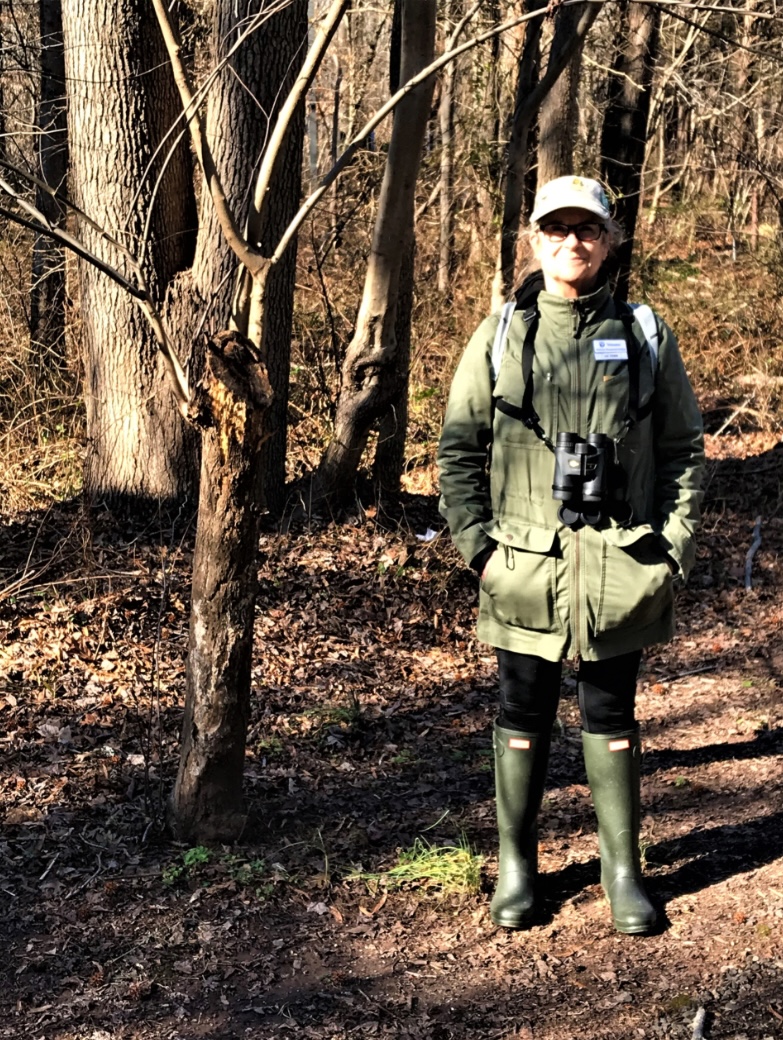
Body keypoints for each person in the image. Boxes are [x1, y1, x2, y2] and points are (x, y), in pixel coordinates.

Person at [437, 175, 705, 934]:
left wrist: (671, 549)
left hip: (622, 565)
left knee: (609, 711)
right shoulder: (501, 334)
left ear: (610, 241)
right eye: (555, 228)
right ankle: (517, 866)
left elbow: (683, 449)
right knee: (520, 709)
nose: (571, 242)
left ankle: (624, 870)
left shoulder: (645, 333)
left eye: (585, 229)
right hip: (522, 565)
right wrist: (478, 551)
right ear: (534, 239)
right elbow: (458, 450)